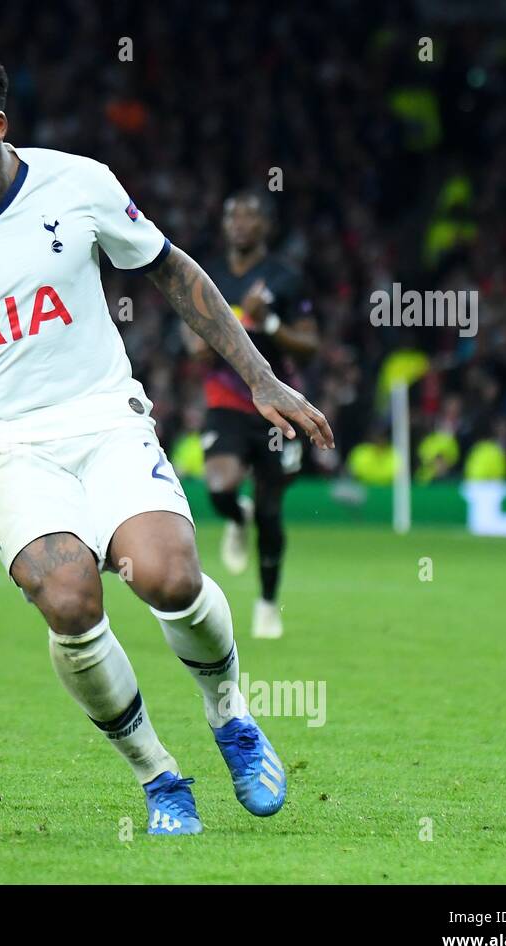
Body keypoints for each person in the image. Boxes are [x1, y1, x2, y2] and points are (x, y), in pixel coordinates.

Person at [0, 47, 334, 835]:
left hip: (103, 418)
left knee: (165, 576)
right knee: (69, 599)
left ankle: (231, 716)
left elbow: (172, 272)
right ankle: (160, 776)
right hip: (3, 446)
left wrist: (261, 377)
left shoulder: (80, 184)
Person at [196, 191, 320, 638]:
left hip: (279, 403)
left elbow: (310, 344)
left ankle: (267, 602)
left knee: (271, 508)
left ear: (266, 226)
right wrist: (218, 329)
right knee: (219, 486)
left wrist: (266, 323)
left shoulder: (285, 279)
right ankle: (234, 516)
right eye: (233, 215)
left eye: (250, 216)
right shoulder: (207, 276)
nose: (240, 223)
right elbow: (193, 345)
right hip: (228, 400)